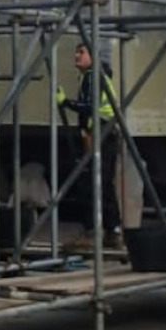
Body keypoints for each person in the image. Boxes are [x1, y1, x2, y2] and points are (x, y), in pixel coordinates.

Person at [59, 43, 122, 246]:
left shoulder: (92, 77)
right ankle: (112, 231)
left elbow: (89, 106)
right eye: (75, 52)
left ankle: (94, 232)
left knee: (93, 183)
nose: (76, 56)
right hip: (104, 133)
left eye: (81, 52)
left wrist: (65, 103)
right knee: (103, 183)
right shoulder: (99, 75)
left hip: (101, 134)